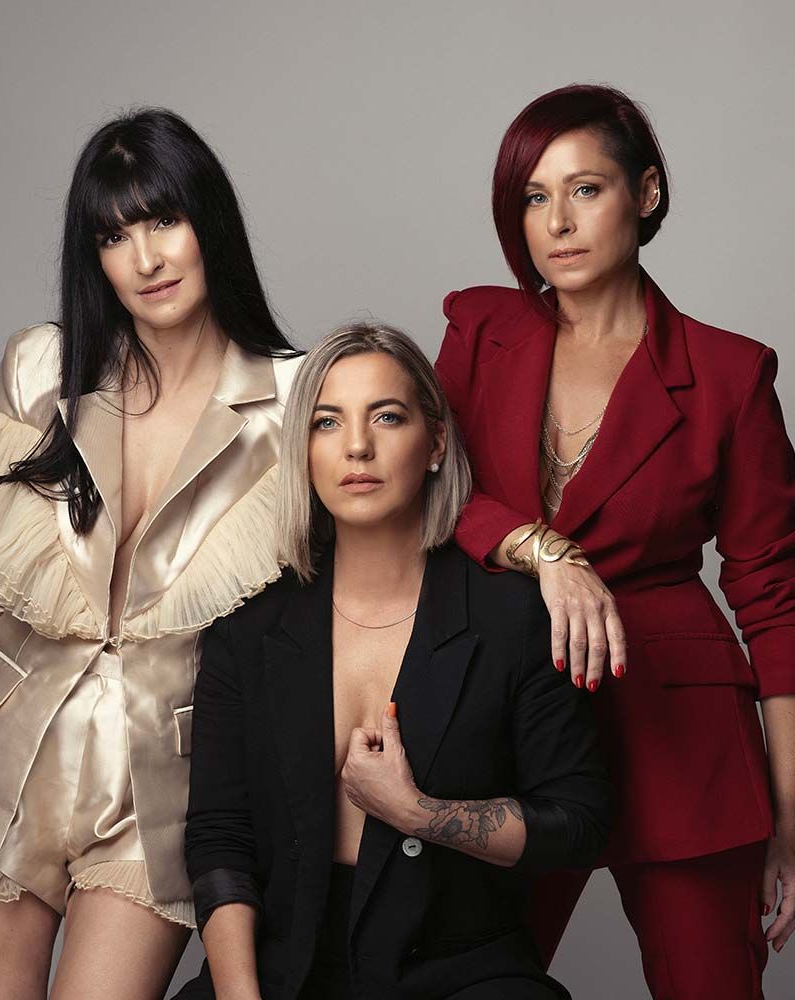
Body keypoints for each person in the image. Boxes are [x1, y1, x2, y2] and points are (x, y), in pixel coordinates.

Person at [0, 108, 301, 1000]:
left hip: (163, 785)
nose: (145, 259)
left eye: (164, 220)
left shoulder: (298, 400)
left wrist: (536, 552)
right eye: (113, 236)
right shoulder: (41, 367)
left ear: (210, 221)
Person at [434, 84, 795, 999]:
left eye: (586, 189)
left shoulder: (729, 373)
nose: (558, 223)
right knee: (460, 983)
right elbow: (430, 491)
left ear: (645, 193)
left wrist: (789, 821)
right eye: (534, 197)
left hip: (678, 736)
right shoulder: (479, 331)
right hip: (505, 722)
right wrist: (541, 549)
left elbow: (774, 597)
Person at [176, 323, 612, 1000]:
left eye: (386, 416)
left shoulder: (515, 620)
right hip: (281, 972)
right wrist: (241, 996)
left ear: (435, 442)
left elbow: (577, 825)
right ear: (304, 451)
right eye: (327, 422)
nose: (357, 446)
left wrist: (416, 812)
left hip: (460, 972)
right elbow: (219, 837)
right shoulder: (247, 627)